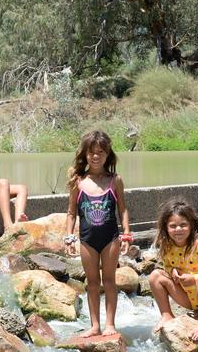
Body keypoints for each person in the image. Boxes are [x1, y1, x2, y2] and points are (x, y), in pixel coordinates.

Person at [64, 130, 132, 337]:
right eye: (91, 152)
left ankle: (110, 324)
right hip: (87, 241)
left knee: (109, 281)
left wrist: (127, 234)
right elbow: (71, 212)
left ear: (107, 154)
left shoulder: (115, 180)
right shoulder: (78, 181)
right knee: (92, 283)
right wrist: (69, 237)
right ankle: (95, 326)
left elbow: (122, 209)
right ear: (85, 154)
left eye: (100, 152)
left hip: (110, 239)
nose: (96, 156)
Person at [149, 198, 198, 341]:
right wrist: (172, 271)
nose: (178, 229)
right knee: (155, 276)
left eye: (183, 225)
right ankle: (166, 314)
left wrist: (194, 278)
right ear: (166, 227)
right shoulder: (167, 245)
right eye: (173, 226)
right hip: (189, 299)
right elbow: (167, 265)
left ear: (191, 225)